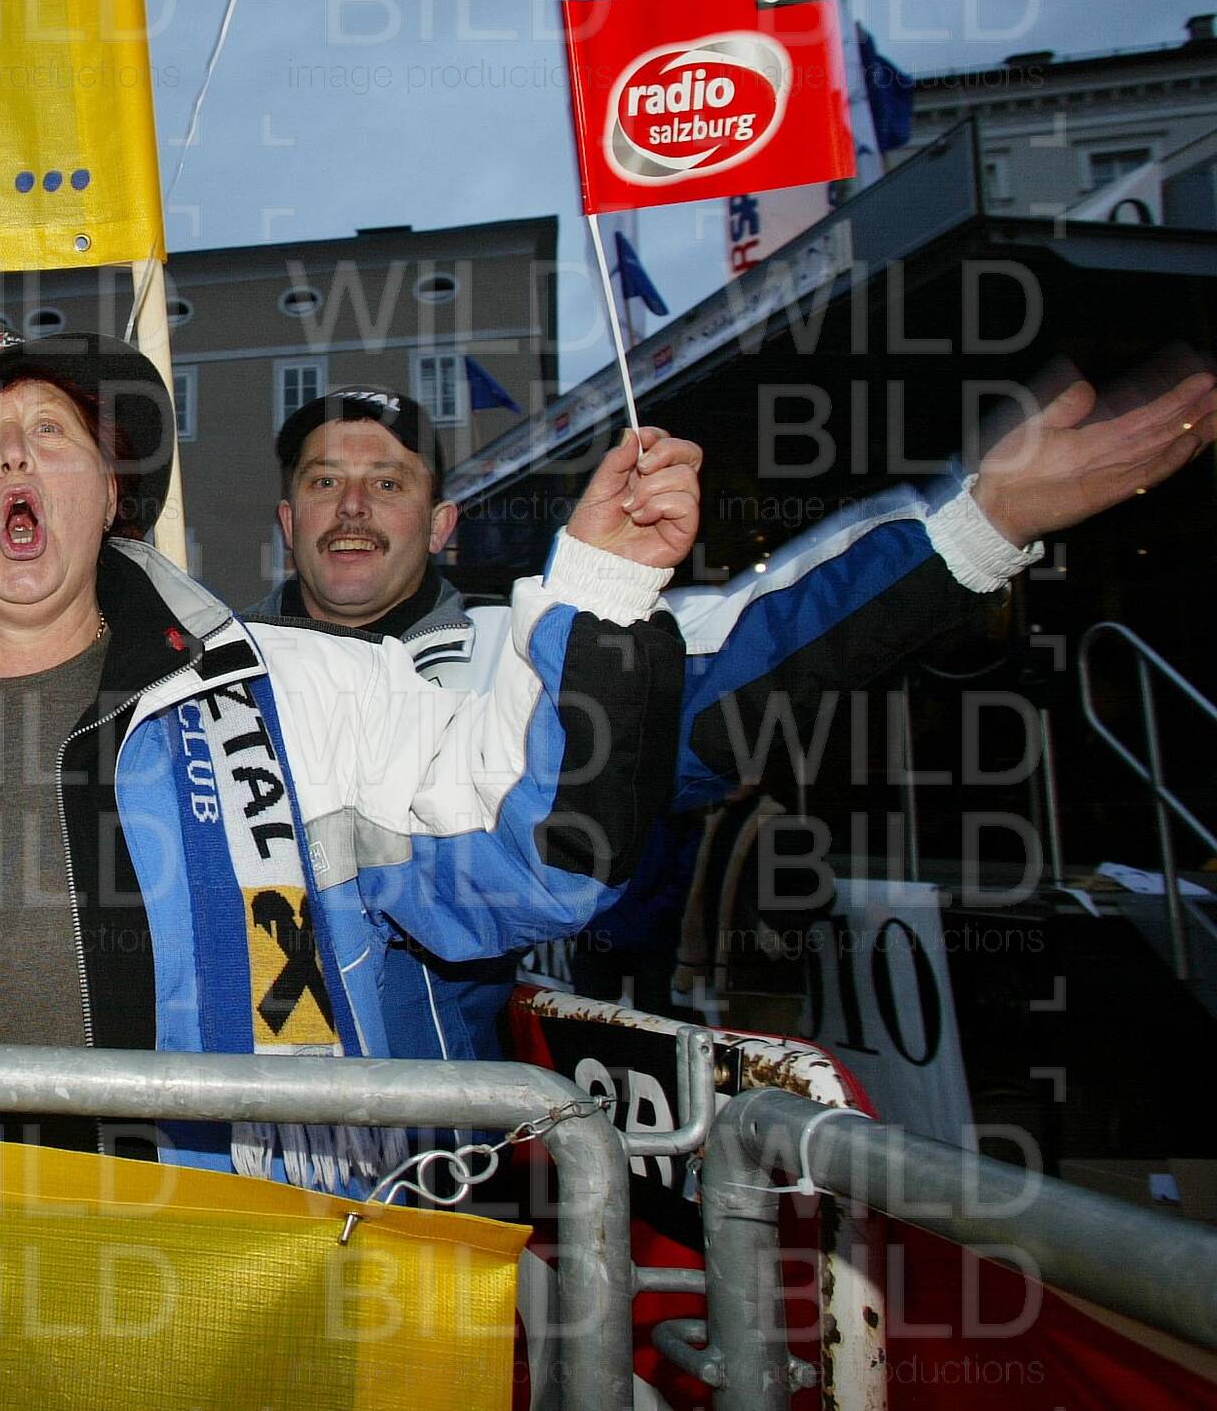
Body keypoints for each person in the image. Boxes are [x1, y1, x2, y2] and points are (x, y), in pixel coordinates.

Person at [0, 328, 696, 1186]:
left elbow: (533, 856)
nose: (13, 457)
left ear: (110, 495)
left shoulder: (317, 689)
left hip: (256, 1252)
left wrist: (604, 585)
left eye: (50, 431)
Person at [248, 367, 1217, 1051]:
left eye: (388, 483)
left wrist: (977, 527)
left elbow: (756, 643)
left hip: (455, 1150)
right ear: (289, 522)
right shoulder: (217, 686)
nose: (353, 507)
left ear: (441, 523)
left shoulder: (538, 648)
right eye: (325, 482)